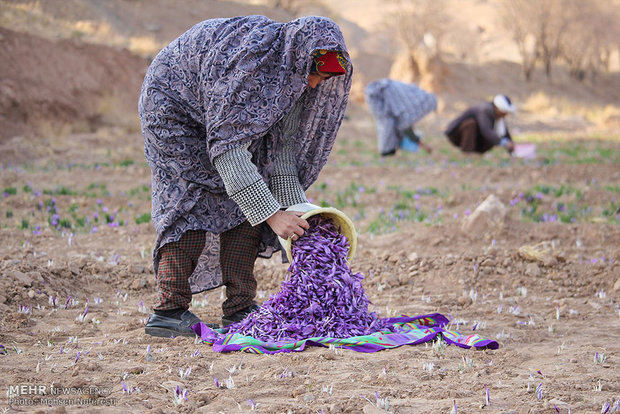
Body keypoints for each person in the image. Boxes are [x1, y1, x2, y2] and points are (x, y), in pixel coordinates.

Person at [138, 16, 352, 337]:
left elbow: (279, 156)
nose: (313, 84)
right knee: (193, 202)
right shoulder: (254, 65)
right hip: (175, 108)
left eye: (323, 79)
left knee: (248, 197)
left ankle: (240, 308)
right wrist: (272, 214)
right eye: (314, 74)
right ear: (300, 56)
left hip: (218, 121)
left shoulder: (294, 76)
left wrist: (300, 211)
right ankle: (169, 311)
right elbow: (228, 150)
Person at [364, 78, 437, 156]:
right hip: (389, 145)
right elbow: (407, 130)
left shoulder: (402, 110)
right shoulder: (404, 112)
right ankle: (387, 153)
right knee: (388, 126)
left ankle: (387, 152)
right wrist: (425, 146)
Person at [444, 94, 516, 154]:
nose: (505, 114)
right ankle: (467, 153)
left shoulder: (498, 116)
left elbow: (504, 132)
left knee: (492, 135)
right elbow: (486, 130)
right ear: (497, 108)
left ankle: (475, 154)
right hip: (456, 135)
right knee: (471, 124)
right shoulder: (484, 110)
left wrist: (510, 145)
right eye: (504, 112)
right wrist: (503, 142)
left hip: (474, 138)